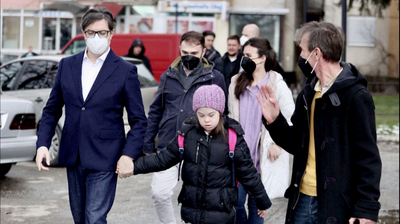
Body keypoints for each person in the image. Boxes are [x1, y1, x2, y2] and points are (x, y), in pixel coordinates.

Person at [256, 21, 382, 224]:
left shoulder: (357, 96)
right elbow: (297, 144)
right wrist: (274, 121)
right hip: (302, 199)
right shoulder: (308, 92)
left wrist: (366, 208)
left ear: (316, 53)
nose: (301, 57)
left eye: (302, 51)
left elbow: (368, 158)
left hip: (337, 203)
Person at [35, 7, 147, 223]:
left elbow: (139, 121)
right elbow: (51, 109)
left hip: (106, 157)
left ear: (111, 33)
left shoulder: (125, 71)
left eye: (102, 32)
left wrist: (128, 155)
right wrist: (42, 144)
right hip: (73, 154)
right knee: (80, 219)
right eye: (90, 32)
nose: (96, 37)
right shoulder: (67, 65)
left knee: (94, 218)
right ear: (83, 33)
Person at [131, 85, 271, 224]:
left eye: (211, 115)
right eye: (201, 115)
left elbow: (248, 174)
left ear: (220, 112)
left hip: (221, 213)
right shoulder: (187, 134)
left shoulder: (233, 137)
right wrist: (133, 166)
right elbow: (162, 159)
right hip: (192, 212)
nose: (206, 120)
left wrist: (262, 202)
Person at [142, 31, 227, 224]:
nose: (188, 57)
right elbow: (156, 111)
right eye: (184, 52)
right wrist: (148, 145)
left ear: (204, 51)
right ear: (179, 49)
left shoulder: (215, 77)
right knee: (159, 193)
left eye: (194, 53)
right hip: (168, 144)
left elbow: (223, 114)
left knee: (197, 199)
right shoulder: (167, 76)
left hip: (200, 147)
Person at [228, 37, 295, 224]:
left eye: (249, 56)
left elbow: (290, 117)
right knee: (237, 206)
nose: (245, 59)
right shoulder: (235, 83)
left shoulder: (278, 86)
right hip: (239, 159)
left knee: (258, 211)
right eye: (244, 55)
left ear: (262, 58)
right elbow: (231, 118)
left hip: (261, 161)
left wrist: (277, 143)